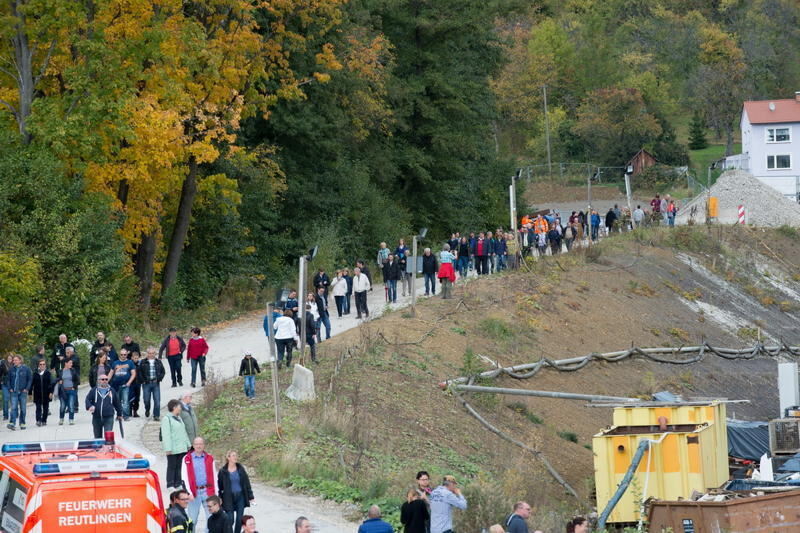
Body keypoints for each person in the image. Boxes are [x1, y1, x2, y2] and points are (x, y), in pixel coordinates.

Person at [181, 437, 217, 526]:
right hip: (194, 492)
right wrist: (188, 493)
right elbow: (184, 477)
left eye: (201, 444)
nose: (199, 446)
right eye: (196, 444)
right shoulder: (186, 459)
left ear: (204, 445)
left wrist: (216, 493)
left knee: (212, 520)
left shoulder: (210, 458)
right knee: (192, 521)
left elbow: (214, 476)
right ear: (193, 445)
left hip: (207, 491)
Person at [218, 450, 255, 533]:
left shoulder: (240, 469)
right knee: (230, 519)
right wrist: (219, 498)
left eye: (236, 455)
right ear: (228, 458)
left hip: (240, 496)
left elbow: (247, 483)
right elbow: (219, 487)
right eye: (233, 455)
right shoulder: (223, 471)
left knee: (239, 519)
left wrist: (251, 497)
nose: (235, 457)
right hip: (228, 497)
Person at [162, 399, 191, 489]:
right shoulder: (167, 419)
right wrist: (168, 448)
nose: (180, 408)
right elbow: (166, 435)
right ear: (174, 407)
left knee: (179, 466)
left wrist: (188, 444)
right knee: (172, 466)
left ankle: (178, 483)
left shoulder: (179, 418)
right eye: (179, 407)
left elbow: (184, 432)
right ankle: (170, 483)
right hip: (173, 447)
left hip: (181, 447)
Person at [85, 373, 122, 437]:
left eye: (106, 379)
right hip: (96, 417)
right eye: (102, 379)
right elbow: (87, 399)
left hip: (108, 417)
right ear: (98, 381)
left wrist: (119, 414)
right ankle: (99, 447)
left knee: (108, 436)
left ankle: (107, 447)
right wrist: (90, 406)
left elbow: (117, 403)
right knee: (97, 437)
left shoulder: (112, 391)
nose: (105, 381)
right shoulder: (94, 390)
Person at [138, 347, 165, 420]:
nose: (151, 355)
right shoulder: (143, 362)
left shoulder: (158, 362)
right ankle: (147, 409)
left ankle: (156, 415)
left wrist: (159, 379)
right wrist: (142, 380)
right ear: (147, 354)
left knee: (157, 400)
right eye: (149, 353)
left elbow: (163, 371)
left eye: (153, 353)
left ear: (155, 354)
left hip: (155, 383)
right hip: (146, 383)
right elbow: (139, 372)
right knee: (146, 400)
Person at [110, 348, 137, 420]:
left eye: (125, 354)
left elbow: (133, 374)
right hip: (116, 385)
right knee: (117, 402)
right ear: (119, 354)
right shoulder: (115, 363)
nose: (123, 356)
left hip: (125, 385)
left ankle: (126, 416)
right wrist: (106, 382)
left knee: (125, 402)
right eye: (122, 354)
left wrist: (129, 383)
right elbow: (111, 373)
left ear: (127, 355)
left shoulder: (130, 363)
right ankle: (119, 415)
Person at [6, 354, 31, 430]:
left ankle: (22, 423)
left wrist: (27, 388)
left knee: (23, 408)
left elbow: (29, 379)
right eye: (14, 360)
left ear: (20, 360)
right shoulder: (11, 369)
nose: (14, 361)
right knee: (13, 408)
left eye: (16, 360)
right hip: (14, 392)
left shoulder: (26, 369)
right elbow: (8, 380)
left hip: (23, 392)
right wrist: (9, 388)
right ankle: (12, 423)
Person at [56, 357, 79, 425]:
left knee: (71, 405)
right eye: (70, 363)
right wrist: (59, 381)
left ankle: (71, 419)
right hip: (63, 391)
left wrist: (74, 387)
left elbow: (77, 380)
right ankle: (61, 419)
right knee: (63, 406)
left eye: (72, 363)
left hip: (71, 390)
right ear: (66, 363)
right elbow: (57, 379)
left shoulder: (73, 370)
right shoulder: (60, 371)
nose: (71, 364)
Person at [30, 359, 53, 427]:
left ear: (45, 365)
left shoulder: (48, 373)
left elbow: (51, 384)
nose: (42, 365)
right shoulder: (35, 374)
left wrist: (51, 392)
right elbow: (32, 383)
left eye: (43, 364)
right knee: (38, 408)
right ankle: (38, 420)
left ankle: (44, 420)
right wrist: (30, 393)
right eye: (41, 364)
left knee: (46, 409)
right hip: (37, 394)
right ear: (38, 365)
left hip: (46, 394)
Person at [128, 351, 142, 417]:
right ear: (132, 358)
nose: (136, 359)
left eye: (137, 358)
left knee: (137, 398)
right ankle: (129, 411)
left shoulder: (140, 364)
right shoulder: (129, 364)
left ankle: (135, 411)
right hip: (131, 383)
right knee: (130, 397)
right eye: (135, 358)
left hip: (138, 383)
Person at [0, 353, 11, 420]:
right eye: (9, 358)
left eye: (11, 358)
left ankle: (15, 413)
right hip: (5, 384)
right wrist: (1, 380)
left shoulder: (14, 365)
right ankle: (5, 415)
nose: (10, 360)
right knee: (6, 399)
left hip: (13, 385)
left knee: (13, 399)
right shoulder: (3, 364)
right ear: (6, 358)